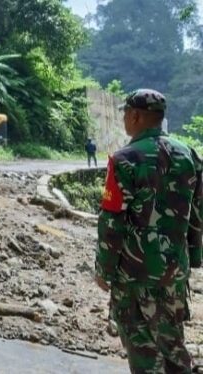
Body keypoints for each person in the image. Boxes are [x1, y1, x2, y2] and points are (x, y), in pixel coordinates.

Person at [96, 89, 202, 373]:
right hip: (174, 272)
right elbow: (197, 213)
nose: (124, 119)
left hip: (134, 274)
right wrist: (193, 259)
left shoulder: (124, 159)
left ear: (135, 115)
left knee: (142, 348)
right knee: (173, 345)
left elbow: (111, 222)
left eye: (125, 114)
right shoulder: (188, 155)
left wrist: (104, 270)